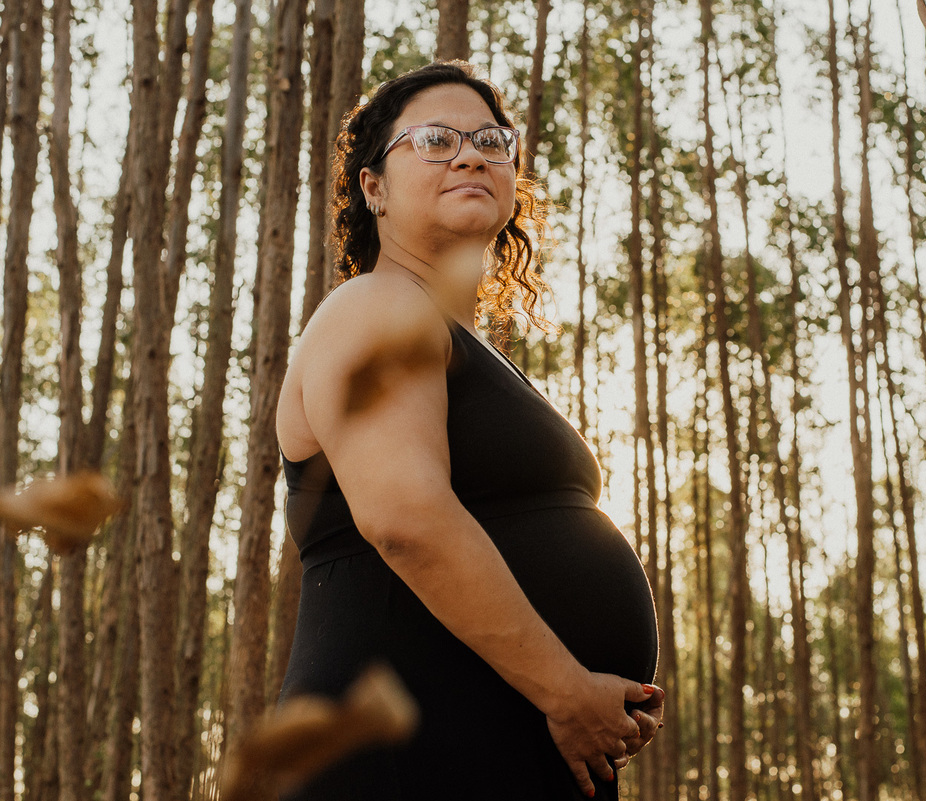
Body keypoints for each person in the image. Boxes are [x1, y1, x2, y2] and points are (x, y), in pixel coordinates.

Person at [274, 61, 663, 800]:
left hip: (495, 747)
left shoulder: (458, 340)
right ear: (373, 187)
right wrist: (566, 689)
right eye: (434, 139)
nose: (470, 154)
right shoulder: (376, 304)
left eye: (491, 139)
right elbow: (406, 518)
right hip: (398, 756)